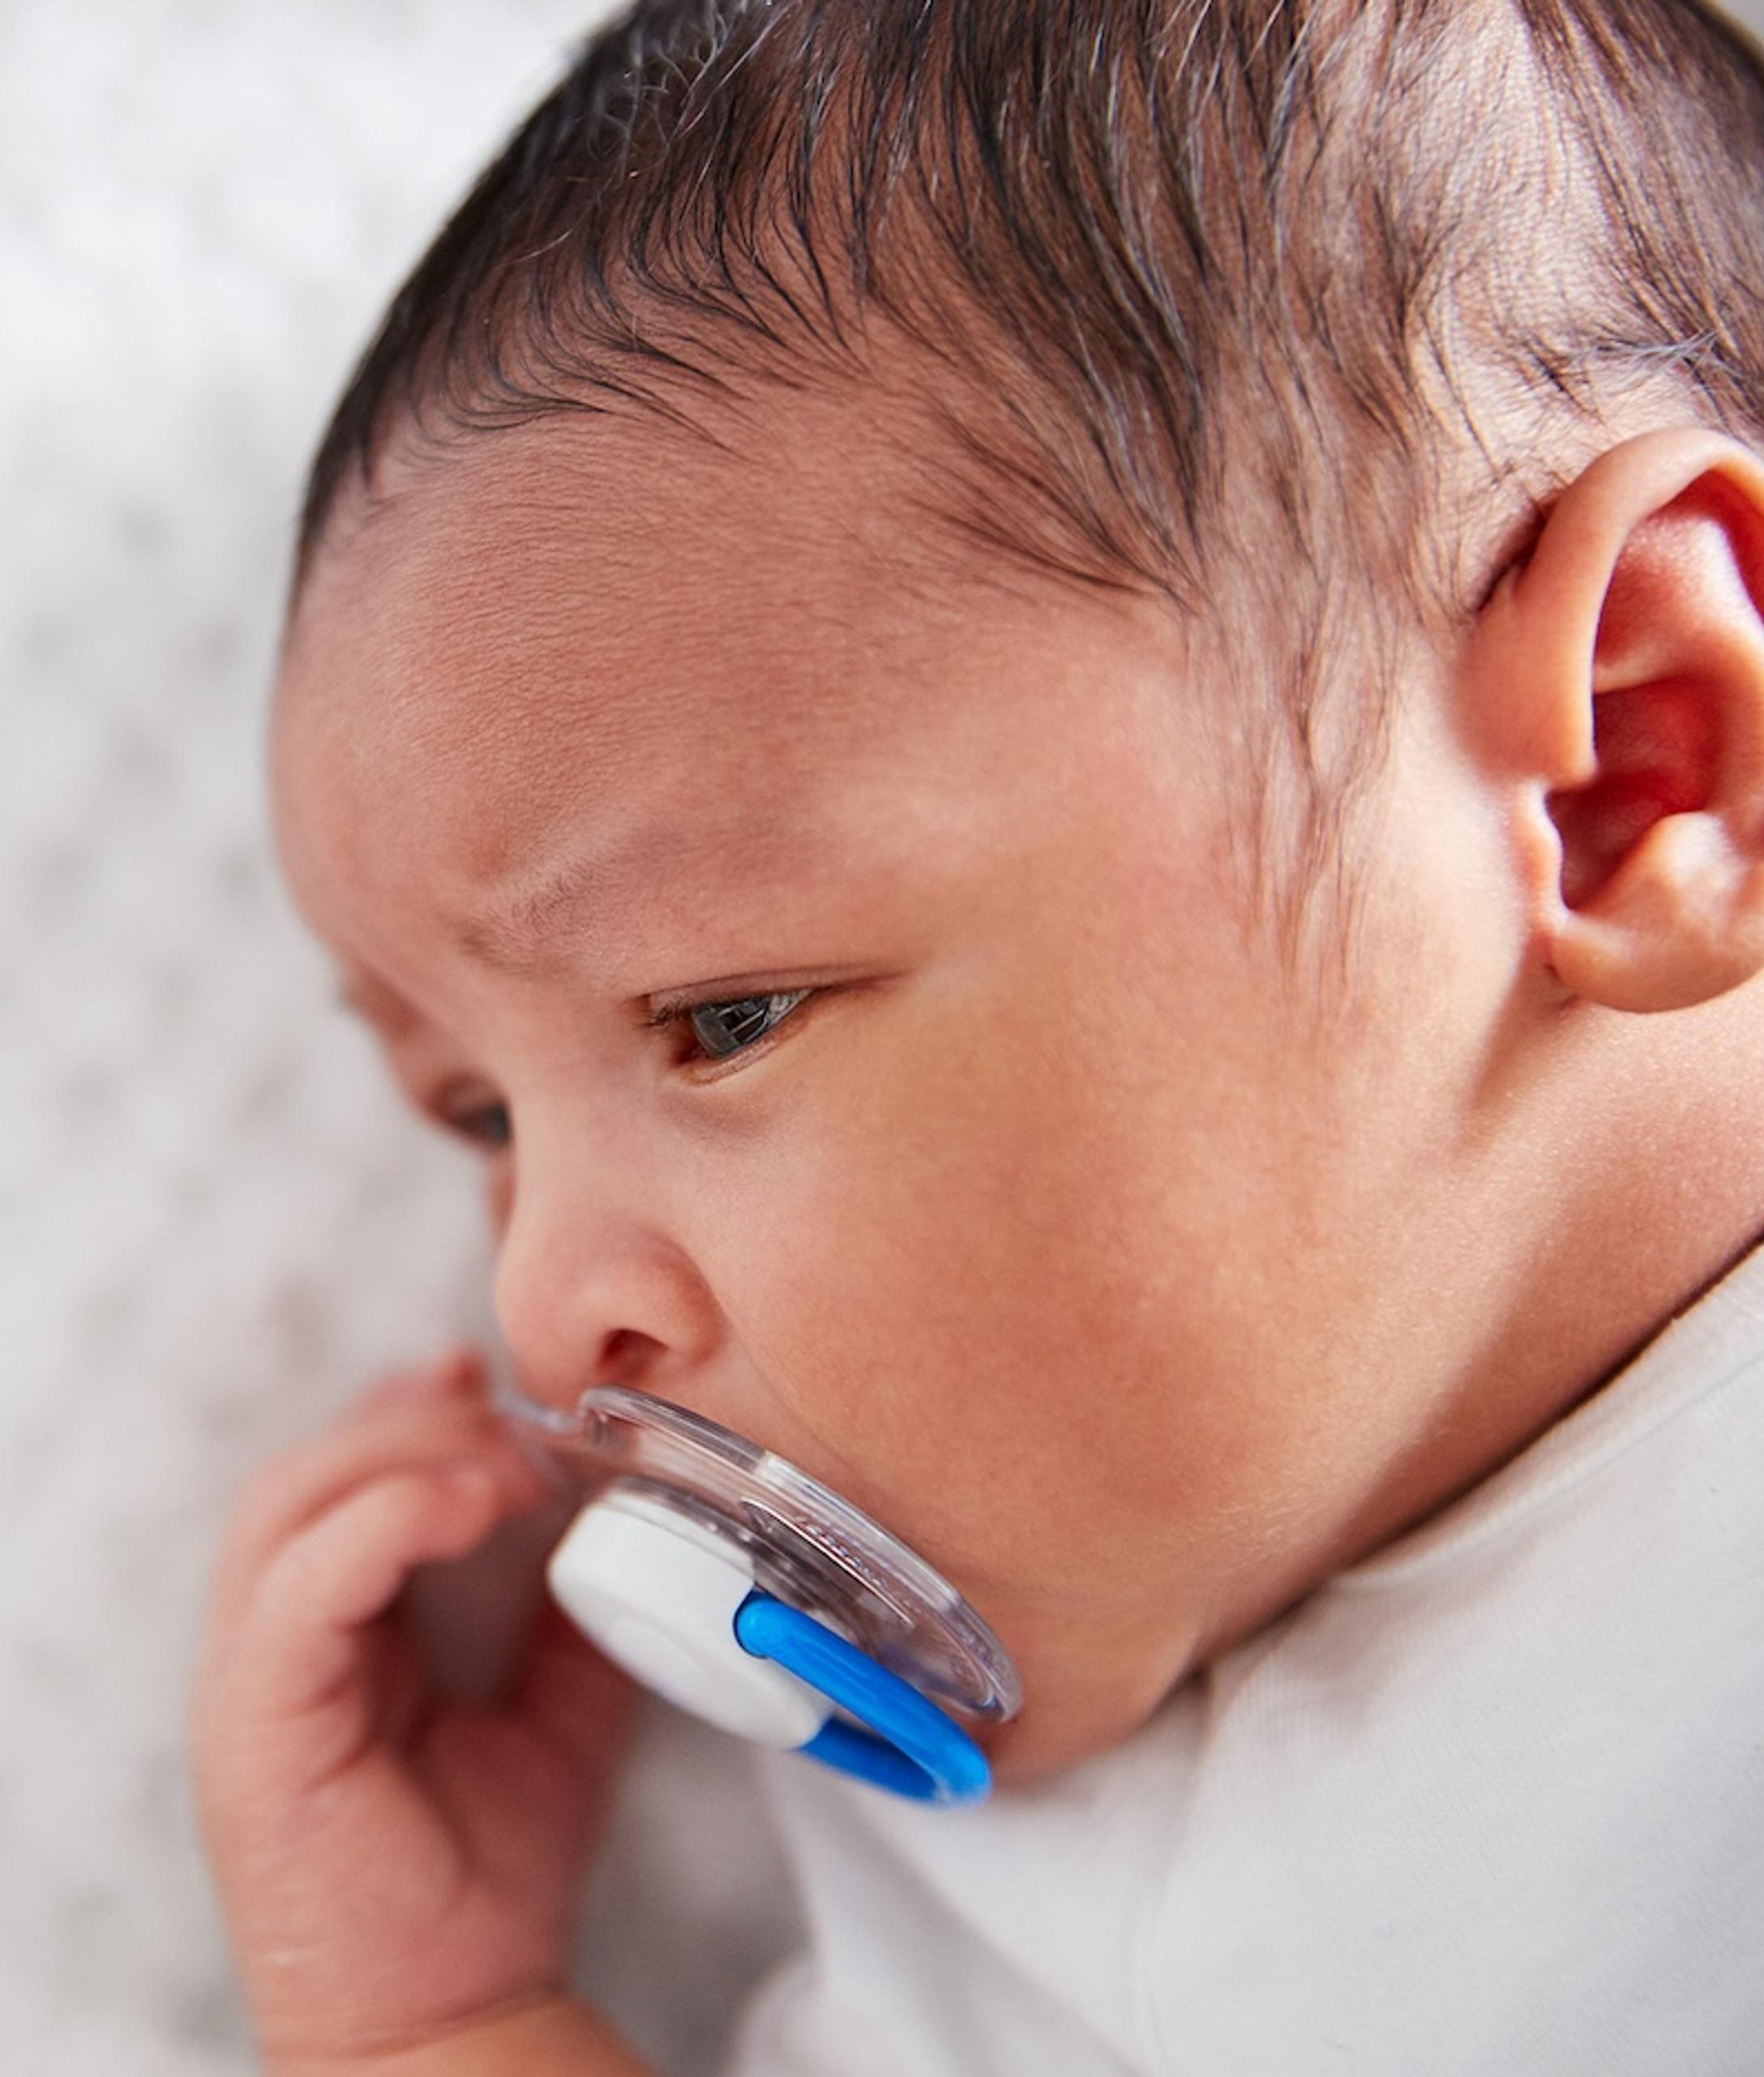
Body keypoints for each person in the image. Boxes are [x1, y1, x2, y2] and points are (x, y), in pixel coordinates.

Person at [185, 0, 1764, 2070]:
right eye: (478, 1113)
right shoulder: (1011, 1928)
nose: (546, 1304)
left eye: (720, 1014)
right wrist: (439, 2020)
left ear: (1632, 767)